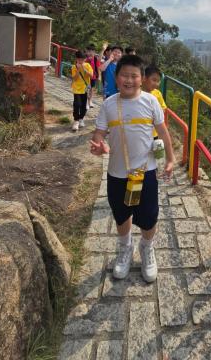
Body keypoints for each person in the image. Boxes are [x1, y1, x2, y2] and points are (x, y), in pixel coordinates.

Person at [89, 54, 175, 282]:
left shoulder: (151, 102)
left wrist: (170, 159)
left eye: (134, 76)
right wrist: (98, 146)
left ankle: (147, 248)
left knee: (148, 217)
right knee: (121, 214)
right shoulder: (109, 104)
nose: (129, 80)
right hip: (118, 173)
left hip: (145, 172)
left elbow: (163, 132)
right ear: (116, 78)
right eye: (124, 75)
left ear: (142, 78)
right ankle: (125, 248)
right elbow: (99, 134)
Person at [141, 64, 180, 164]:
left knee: (156, 157)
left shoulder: (157, 93)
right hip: (141, 133)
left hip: (155, 132)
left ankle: (155, 168)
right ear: (144, 78)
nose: (157, 84)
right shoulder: (137, 93)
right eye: (154, 80)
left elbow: (163, 108)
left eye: (158, 81)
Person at [70, 50, 94, 132]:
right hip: (76, 89)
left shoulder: (87, 65)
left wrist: (84, 69)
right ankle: (76, 121)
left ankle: (81, 119)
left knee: (84, 105)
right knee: (77, 104)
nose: (81, 61)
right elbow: (74, 78)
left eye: (83, 59)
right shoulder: (74, 67)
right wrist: (78, 70)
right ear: (76, 59)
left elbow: (91, 76)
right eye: (79, 59)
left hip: (85, 89)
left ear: (85, 59)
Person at [85, 45, 102, 109]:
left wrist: (99, 76)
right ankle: (86, 102)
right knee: (86, 89)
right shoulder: (85, 58)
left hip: (93, 76)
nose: (89, 53)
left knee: (92, 89)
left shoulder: (95, 59)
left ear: (94, 52)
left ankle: (90, 101)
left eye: (91, 51)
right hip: (86, 77)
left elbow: (98, 67)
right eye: (88, 51)